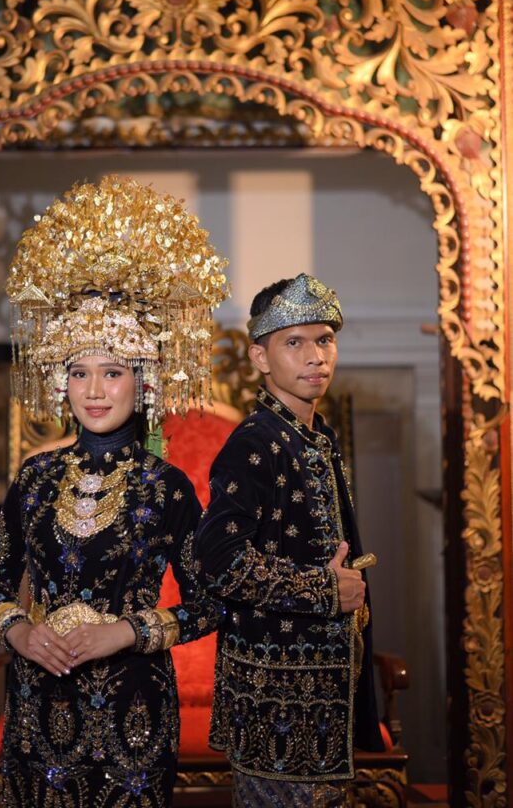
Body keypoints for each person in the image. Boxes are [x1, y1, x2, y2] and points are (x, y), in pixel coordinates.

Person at [0, 175, 228, 808]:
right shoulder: (35, 478)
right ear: (60, 382)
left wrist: (126, 633)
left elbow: (209, 603)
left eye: (112, 372)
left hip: (135, 710)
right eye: (79, 372)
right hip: (37, 704)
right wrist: (19, 633)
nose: (93, 390)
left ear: (142, 383)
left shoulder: (166, 487)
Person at [194, 273, 384, 808]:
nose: (315, 356)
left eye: (325, 339)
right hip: (274, 692)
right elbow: (219, 561)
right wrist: (325, 590)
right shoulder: (254, 442)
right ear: (260, 356)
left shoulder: (316, 437)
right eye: (294, 342)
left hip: (324, 685)